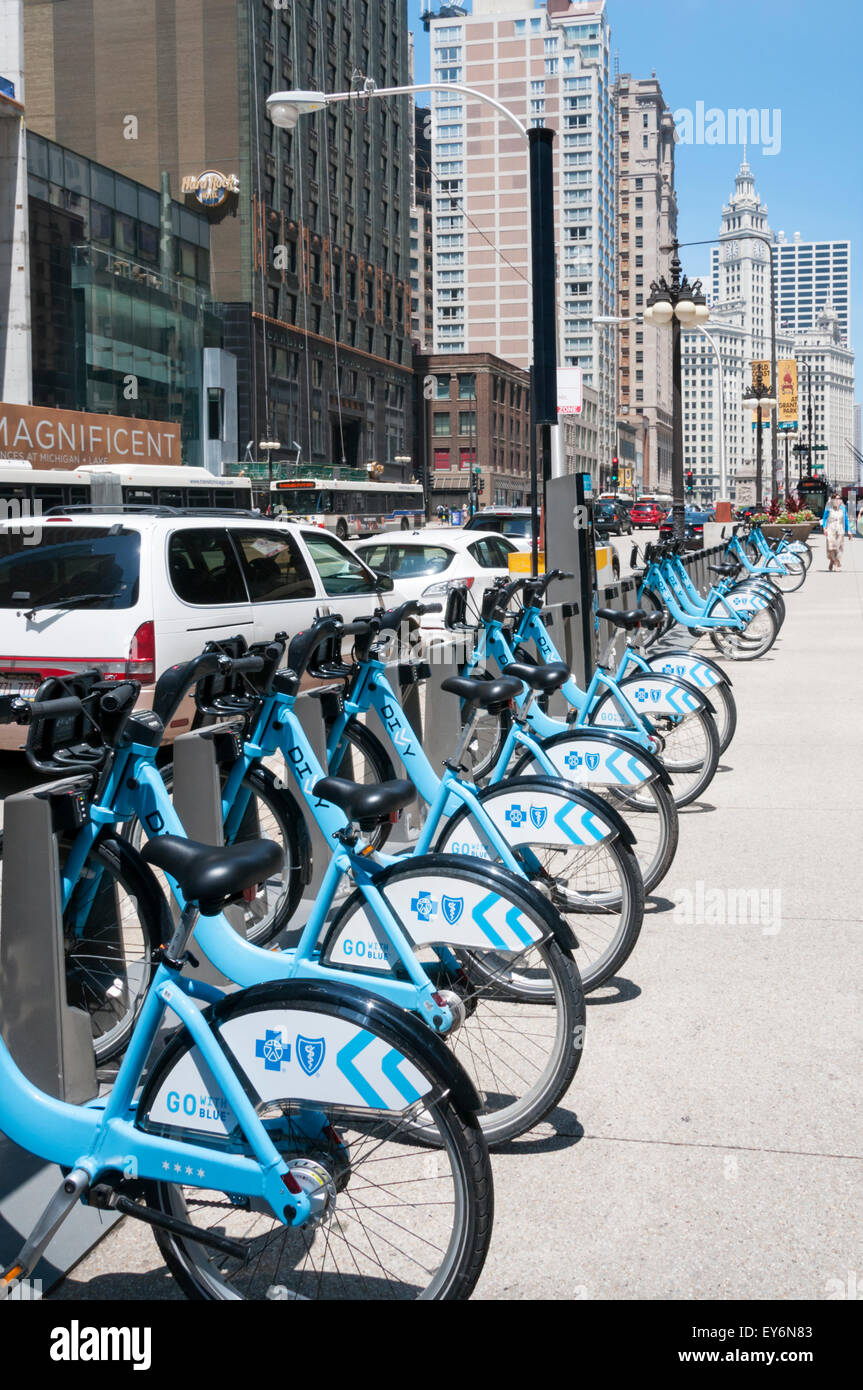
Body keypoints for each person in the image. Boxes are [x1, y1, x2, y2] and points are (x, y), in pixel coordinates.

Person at [823, 493, 849, 571]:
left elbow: (846, 519)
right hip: (830, 529)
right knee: (830, 548)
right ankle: (832, 560)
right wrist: (824, 528)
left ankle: (836, 564)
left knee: (839, 548)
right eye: (836, 499)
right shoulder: (828, 508)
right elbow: (824, 518)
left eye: (839, 498)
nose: (838, 500)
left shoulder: (843, 508)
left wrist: (849, 531)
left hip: (840, 529)